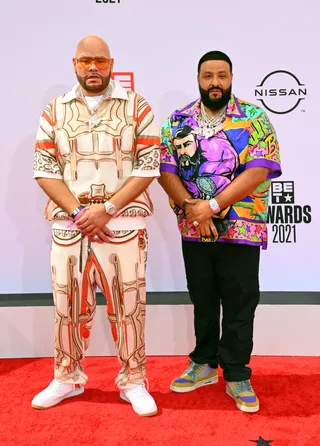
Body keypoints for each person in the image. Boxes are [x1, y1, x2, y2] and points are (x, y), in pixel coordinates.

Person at [32, 35, 160, 417]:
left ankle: (134, 381)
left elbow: (149, 164)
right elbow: (44, 170)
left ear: (111, 64)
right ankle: (66, 377)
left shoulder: (137, 106)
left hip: (124, 223)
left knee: (130, 307)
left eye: (100, 61)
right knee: (65, 305)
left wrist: (106, 208)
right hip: (69, 228)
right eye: (86, 60)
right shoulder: (55, 110)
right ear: (74, 63)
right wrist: (78, 213)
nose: (92, 67)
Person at [159, 51, 281, 413]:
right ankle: (204, 363)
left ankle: (237, 373)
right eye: (208, 76)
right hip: (195, 230)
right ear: (198, 78)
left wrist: (211, 206)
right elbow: (165, 171)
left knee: (241, 300)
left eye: (222, 76)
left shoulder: (254, 117)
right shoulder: (178, 120)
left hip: (240, 230)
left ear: (231, 78)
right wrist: (192, 209)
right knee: (203, 298)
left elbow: (259, 170)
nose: (215, 82)